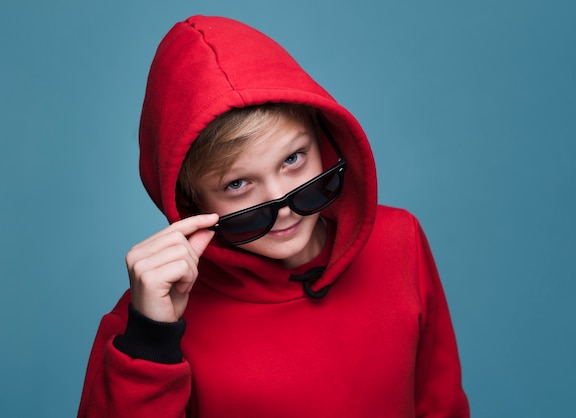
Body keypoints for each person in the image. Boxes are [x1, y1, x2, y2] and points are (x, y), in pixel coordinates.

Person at [78, 15, 470, 417]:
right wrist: (152, 340)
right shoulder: (145, 320)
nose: (282, 203)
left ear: (324, 138)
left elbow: (441, 405)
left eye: (293, 159)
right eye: (237, 184)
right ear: (189, 200)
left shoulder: (399, 240)